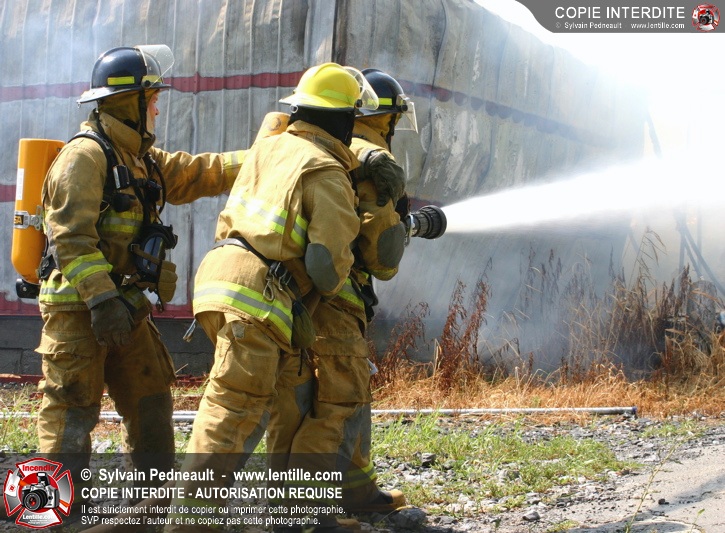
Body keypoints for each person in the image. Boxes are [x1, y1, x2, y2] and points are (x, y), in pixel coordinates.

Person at [164, 62, 378, 533]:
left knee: (289, 404)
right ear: (344, 120)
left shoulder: (270, 146)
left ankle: (296, 514)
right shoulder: (326, 171)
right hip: (259, 300)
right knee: (233, 413)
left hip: (225, 283)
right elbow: (326, 268)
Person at [35, 44, 246, 504]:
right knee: (71, 407)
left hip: (126, 307)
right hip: (79, 309)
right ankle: (52, 508)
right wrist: (101, 300)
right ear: (127, 103)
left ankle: (150, 502)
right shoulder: (85, 156)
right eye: (151, 100)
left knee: (151, 398)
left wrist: (265, 158)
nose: (156, 110)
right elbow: (70, 239)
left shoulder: (140, 160)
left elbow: (199, 172)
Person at [265, 68, 417, 517]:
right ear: (387, 119)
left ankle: (350, 491)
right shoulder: (374, 160)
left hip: (289, 295)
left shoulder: (302, 140)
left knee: (300, 403)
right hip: (335, 297)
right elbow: (383, 258)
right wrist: (398, 228)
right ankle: (306, 512)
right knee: (339, 401)